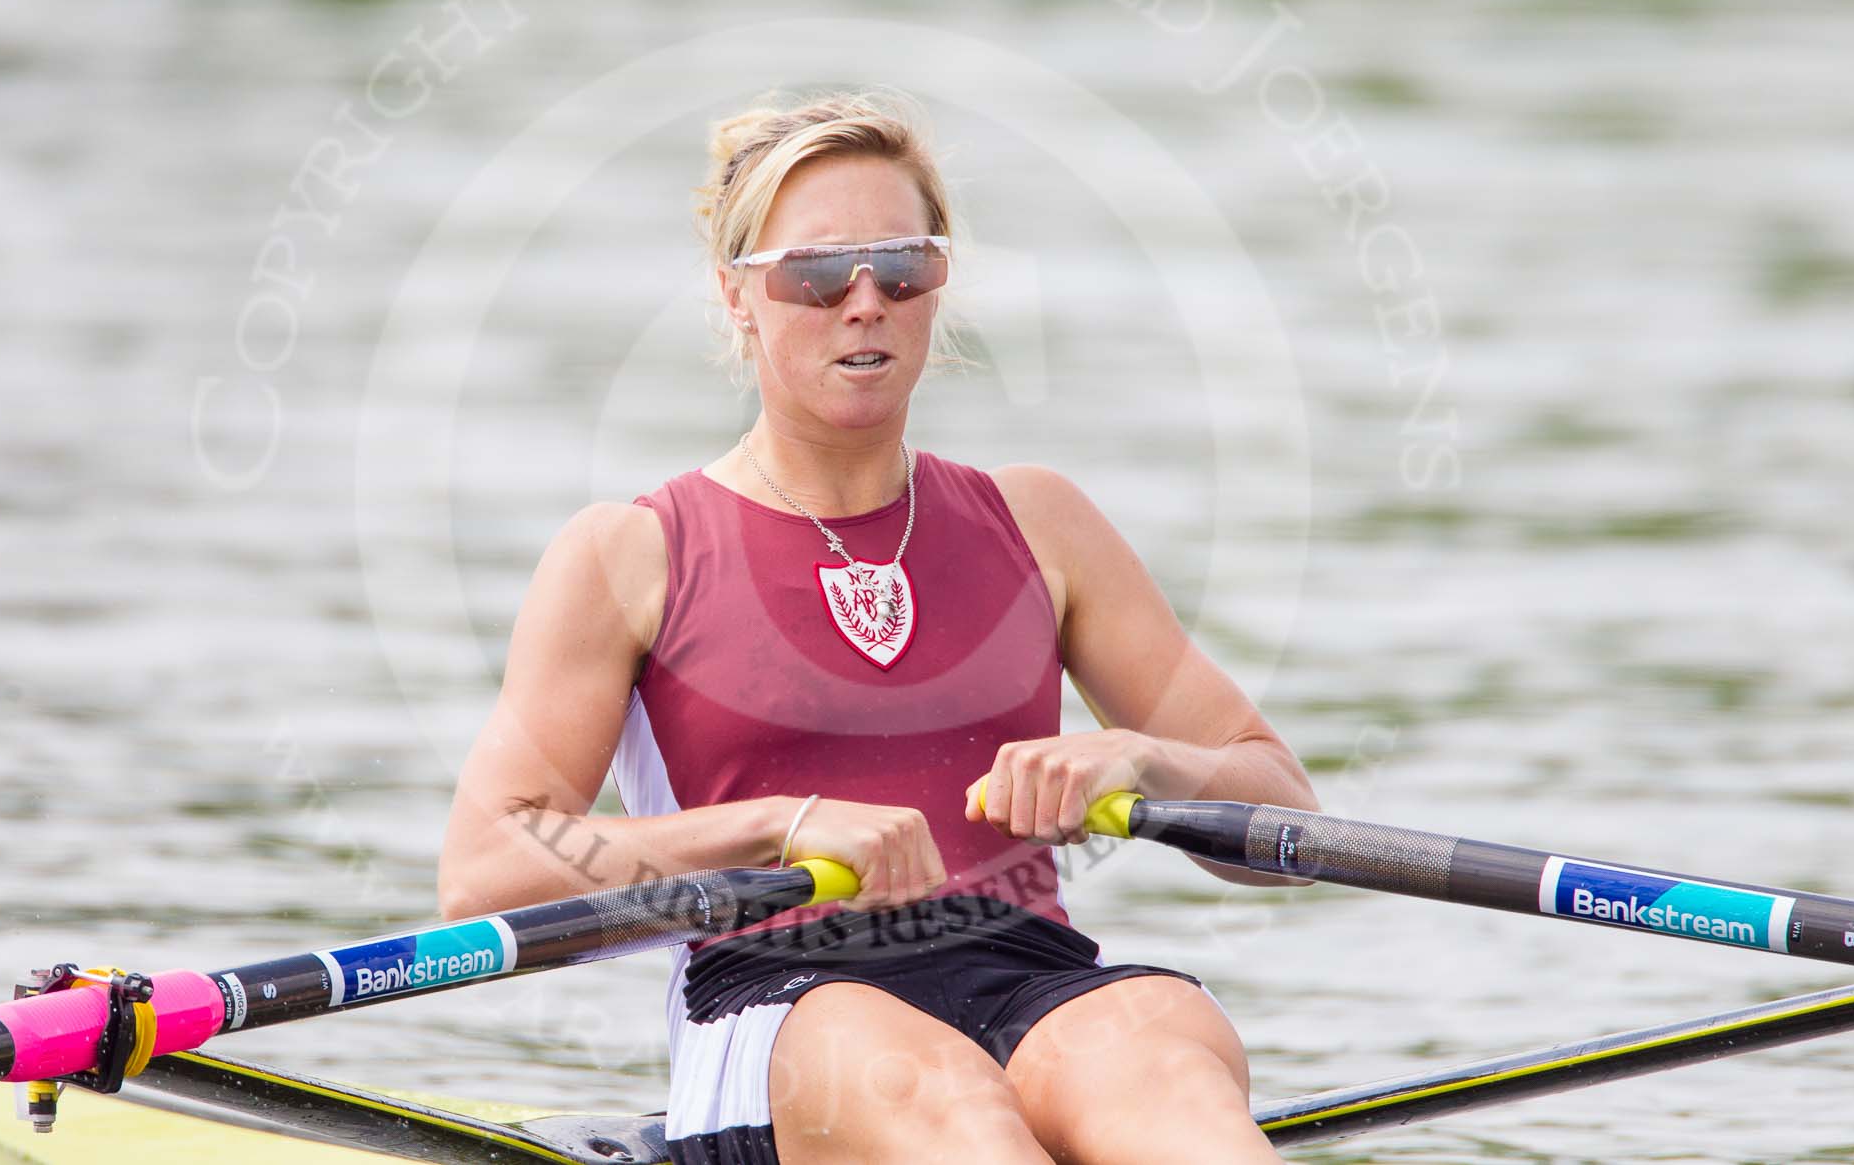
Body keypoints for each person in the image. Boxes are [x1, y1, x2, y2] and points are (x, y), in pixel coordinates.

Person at [439, 90, 1319, 1164]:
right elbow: (485, 874)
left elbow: (1283, 824)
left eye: (900, 267)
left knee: (1169, 1062)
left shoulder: (1039, 524)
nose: (864, 303)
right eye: (816, 275)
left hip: (1029, 975)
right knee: (939, 1103)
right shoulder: (629, 554)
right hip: (776, 999)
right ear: (737, 297)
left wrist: (1139, 758)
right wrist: (774, 824)